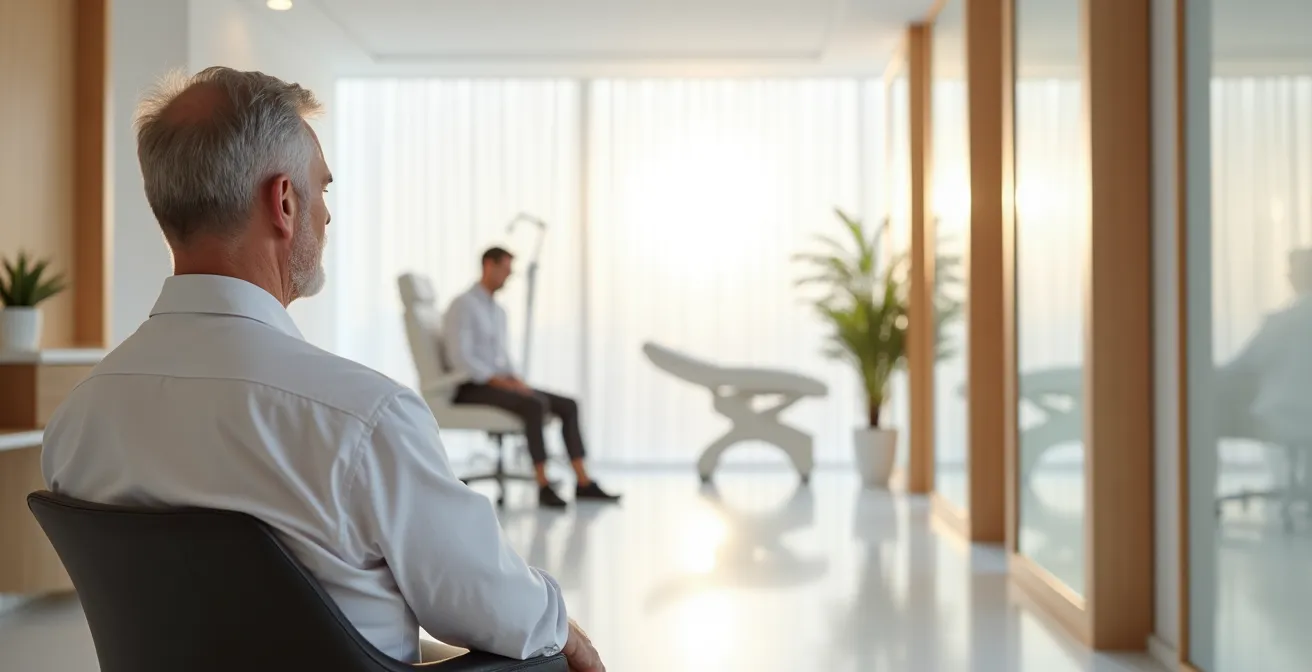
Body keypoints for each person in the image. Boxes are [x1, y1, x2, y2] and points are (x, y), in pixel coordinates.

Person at [40, 67, 603, 671]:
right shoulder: (361, 420)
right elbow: (500, 613)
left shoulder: (78, 422)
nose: (327, 216)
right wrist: (558, 623)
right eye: (323, 189)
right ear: (283, 202)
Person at [443, 247, 621, 508]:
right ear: (488, 266)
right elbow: (461, 358)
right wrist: (499, 381)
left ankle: (583, 482)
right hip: (471, 386)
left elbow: (502, 356)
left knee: (568, 404)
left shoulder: (497, 311)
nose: (509, 276)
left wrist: (515, 380)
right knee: (534, 405)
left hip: (500, 382)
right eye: (505, 270)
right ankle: (543, 484)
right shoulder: (463, 305)